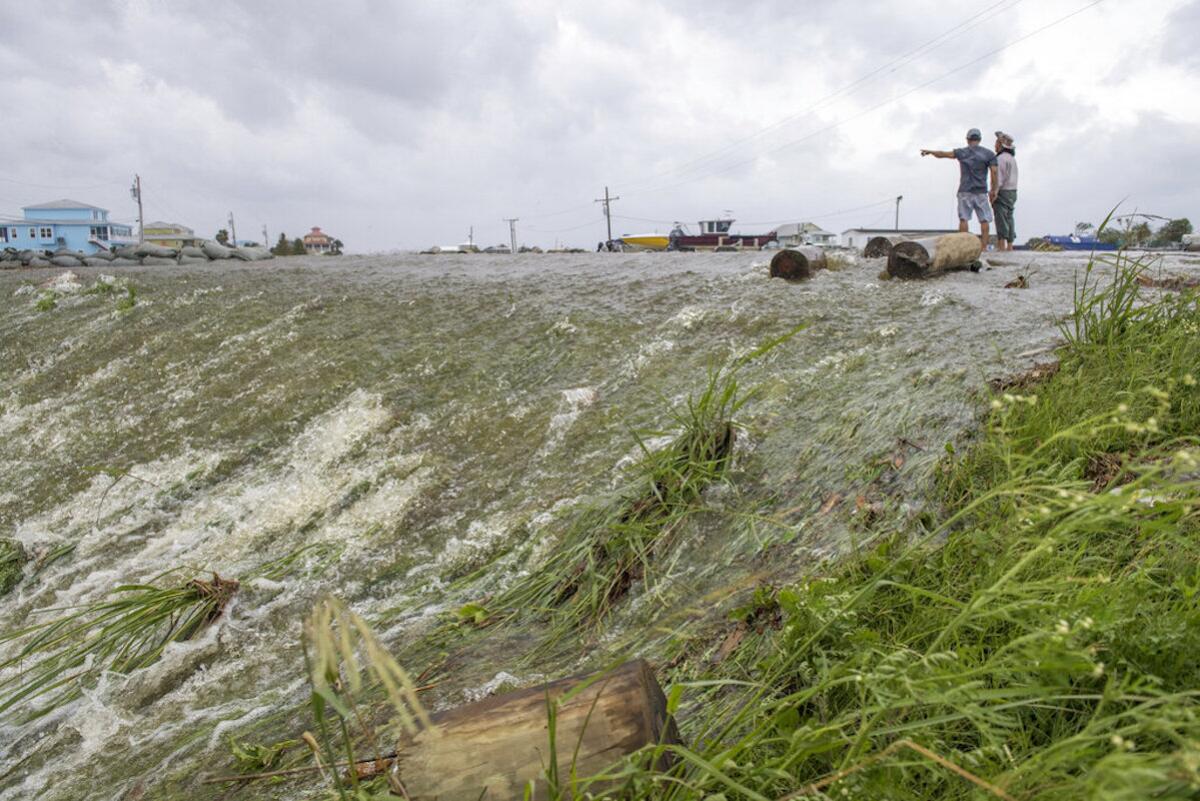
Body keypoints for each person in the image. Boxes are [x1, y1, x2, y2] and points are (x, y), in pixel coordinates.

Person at [920, 128, 998, 249]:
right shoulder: (989, 154)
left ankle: (964, 247)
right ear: (980, 139)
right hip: (981, 191)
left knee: (964, 218)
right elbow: (994, 172)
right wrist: (994, 190)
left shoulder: (962, 152)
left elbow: (943, 154)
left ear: (967, 140)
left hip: (965, 190)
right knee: (984, 220)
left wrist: (930, 152)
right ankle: (983, 247)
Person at [992, 131, 1018, 251]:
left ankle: (1002, 246)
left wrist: (994, 193)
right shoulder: (1012, 159)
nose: (995, 146)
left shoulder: (1000, 159)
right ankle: (1010, 245)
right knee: (1009, 217)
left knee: (1001, 218)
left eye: (997, 143)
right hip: (1013, 191)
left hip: (1003, 191)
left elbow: (999, 179)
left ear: (1001, 145)